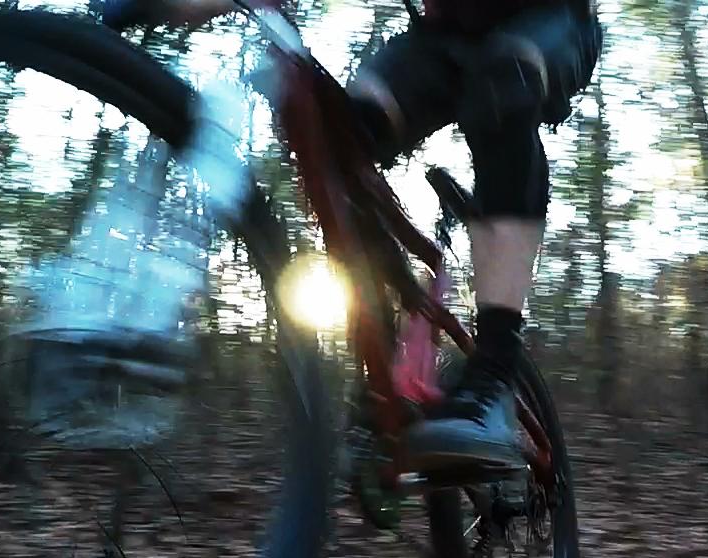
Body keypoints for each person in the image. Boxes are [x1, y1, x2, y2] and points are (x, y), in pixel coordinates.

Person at [103, 0, 602, 472]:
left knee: (504, 82)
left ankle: (495, 372)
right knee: (337, 129)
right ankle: (382, 357)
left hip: (551, 20)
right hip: (442, 37)